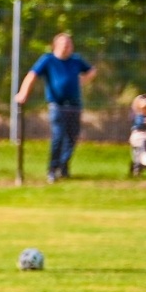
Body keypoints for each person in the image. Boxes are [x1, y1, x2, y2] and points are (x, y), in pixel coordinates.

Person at [16, 32, 95, 183]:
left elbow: (92, 71)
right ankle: (52, 169)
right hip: (57, 105)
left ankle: (63, 166)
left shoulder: (76, 60)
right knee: (58, 136)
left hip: (74, 105)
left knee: (72, 137)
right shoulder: (48, 60)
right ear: (56, 46)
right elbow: (32, 75)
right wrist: (23, 93)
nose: (67, 47)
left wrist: (83, 80)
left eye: (69, 44)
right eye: (64, 44)